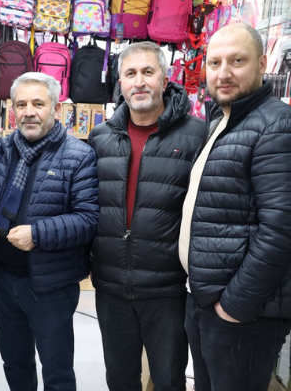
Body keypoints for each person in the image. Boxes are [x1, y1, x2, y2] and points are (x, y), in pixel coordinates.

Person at [179, 23, 291, 391]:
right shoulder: (223, 120)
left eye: (236, 61)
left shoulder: (280, 127)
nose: (223, 73)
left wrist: (234, 307)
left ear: (261, 64)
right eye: (214, 62)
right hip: (207, 297)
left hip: (244, 312)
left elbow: (283, 231)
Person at [88, 41, 205, 391]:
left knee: (169, 379)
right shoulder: (100, 138)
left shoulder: (198, 135)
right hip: (110, 285)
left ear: (165, 79)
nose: (139, 82)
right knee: (120, 378)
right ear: (120, 83)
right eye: (130, 74)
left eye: (148, 72)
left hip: (167, 287)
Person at [0, 72, 100, 391]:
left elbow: (88, 219)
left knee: (56, 370)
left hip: (50, 285)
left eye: (38, 103)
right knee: (15, 363)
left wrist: (38, 234)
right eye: (22, 104)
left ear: (56, 110)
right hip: (4, 280)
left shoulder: (78, 156)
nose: (29, 111)